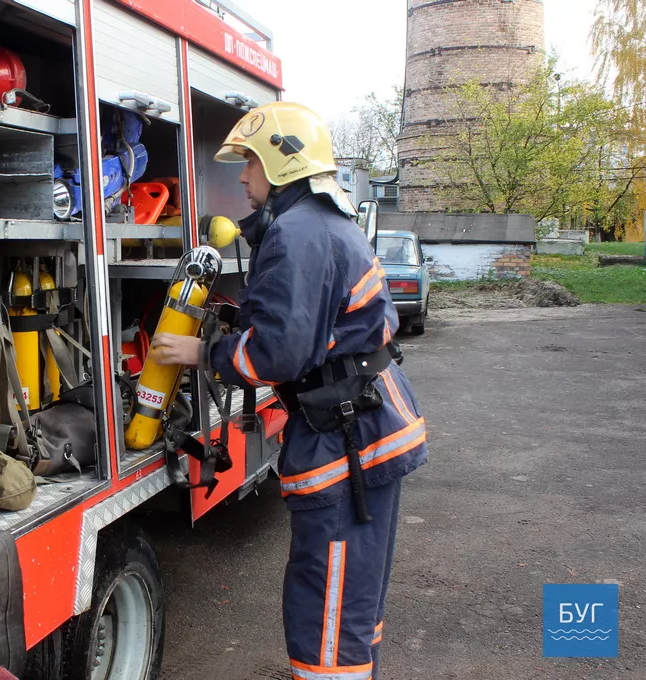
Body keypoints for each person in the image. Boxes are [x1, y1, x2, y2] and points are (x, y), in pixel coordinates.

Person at [151, 101, 427, 680]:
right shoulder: (322, 224)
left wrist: (203, 352)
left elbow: (280, 352)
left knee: (324, 602)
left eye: (249, 162)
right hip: (367, 421)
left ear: (281, 163)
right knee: (352, 595)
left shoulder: (297, 236)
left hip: (347, 440)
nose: (242, 176)